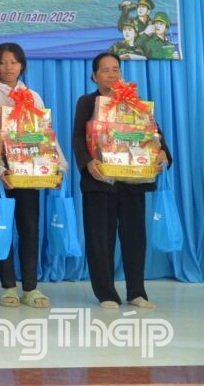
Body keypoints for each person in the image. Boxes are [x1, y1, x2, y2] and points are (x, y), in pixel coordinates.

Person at [72, 52, 172, 309]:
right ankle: (106, 293)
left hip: (132, 181)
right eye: (105, 70)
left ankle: (136, 291)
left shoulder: (134, 103)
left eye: (115, 69)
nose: (111, 74)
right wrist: (87, 162)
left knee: (135, 238)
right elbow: (78, 136)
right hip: (99, 181)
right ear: (95, 76)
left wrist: (163, 153)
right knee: (99, 238)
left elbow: (154, 133)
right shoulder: (88, 102)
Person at [0, 42, 54, 309]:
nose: (8, 67)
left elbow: (45, 135)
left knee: (30, 229)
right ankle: (8, 286)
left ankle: (31, 288)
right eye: (2, 62)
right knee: (2, 230)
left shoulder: (33, 96)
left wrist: (53, 165)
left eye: (13, 62)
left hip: (29, 174)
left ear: (22, 65)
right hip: (1, 176)